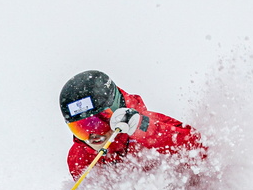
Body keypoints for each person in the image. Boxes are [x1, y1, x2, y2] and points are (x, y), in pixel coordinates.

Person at [59, 70, 204, 180]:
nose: (92, 136)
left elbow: (202, 152)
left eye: (97, 124)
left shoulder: (149, 126)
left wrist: (147, 130)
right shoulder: (79, 158)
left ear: (116, 111)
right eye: (80, 129)